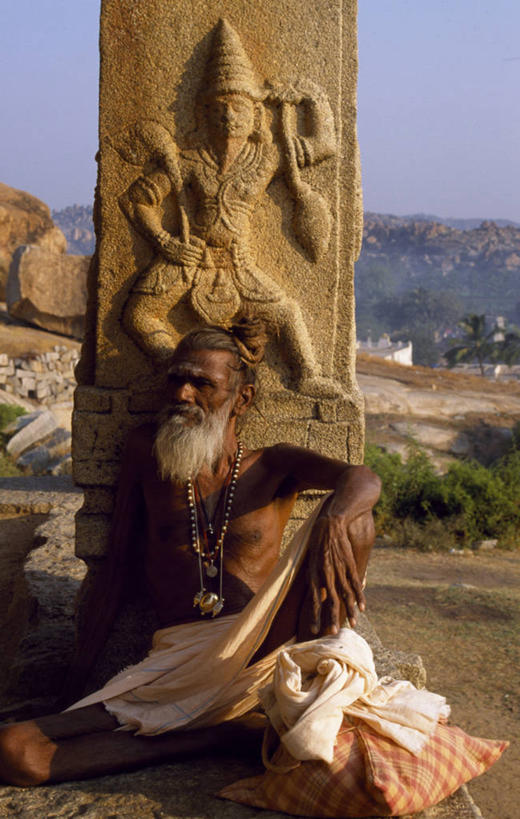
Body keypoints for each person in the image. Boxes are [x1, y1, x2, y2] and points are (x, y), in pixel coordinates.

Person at [0, 318, 381, 787]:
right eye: (176, 379)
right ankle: (218, 734)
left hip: (264, 653)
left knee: (356, 517)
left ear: (242, 398)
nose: (182, 394)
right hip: (177, 660)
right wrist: (76, 681)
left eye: (201, 383)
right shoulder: (147, 452)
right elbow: (114, 573)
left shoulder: (274, 465)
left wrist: (334, 520)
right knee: (17, 753)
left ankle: (298, 687)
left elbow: (364, 479)